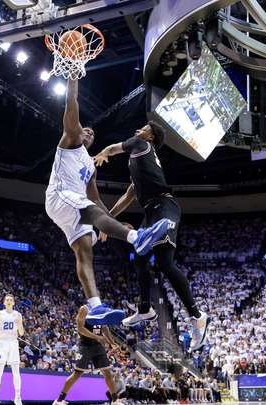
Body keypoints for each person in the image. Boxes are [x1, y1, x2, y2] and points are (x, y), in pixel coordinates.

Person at [44, 78, 173, 325]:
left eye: (93, 133)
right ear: (78, 130)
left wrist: (111, 223)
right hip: (60, 196)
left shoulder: (91, 167)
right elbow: (72, 103)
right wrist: (73, 75)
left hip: (75, 204)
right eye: (86, 129)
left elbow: (95, 199)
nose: (89, 132)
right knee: (90, 213)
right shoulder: (70, 140)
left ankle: (95, 307)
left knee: (84, 252)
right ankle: (137, 238)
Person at [93, 122, 209, 351]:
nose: (138, 128)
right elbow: (128, 196)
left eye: (144, 127)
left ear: (151, 136)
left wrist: (101, 154)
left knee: (165, 264)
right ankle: (145, 309)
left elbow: (113, 148)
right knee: (139, 257)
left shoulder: (140, 144)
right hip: (152, 211)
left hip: (165, 206)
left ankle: (197, 316)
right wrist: (107, 221)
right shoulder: (141, 164)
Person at [52, 305, 121, 405]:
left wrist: (112, 342)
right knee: (77, 374)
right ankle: (59, 400)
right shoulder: (84, 309)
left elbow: (105, 327)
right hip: (85, 346)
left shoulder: (101, 310)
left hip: (98, 346)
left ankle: (115, 400)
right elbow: (80, 329)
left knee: (108, 373)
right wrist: (97, 337)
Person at [0, 294, 24, 405]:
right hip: (2, 344)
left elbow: (21, 333)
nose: (8, 301)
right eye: (7, 300)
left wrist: (19, 324)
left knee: (16, 372)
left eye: (10, 300)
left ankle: (17, 397)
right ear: (4, 302)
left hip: (13, 343)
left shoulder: (18, 315)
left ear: (13, 303)